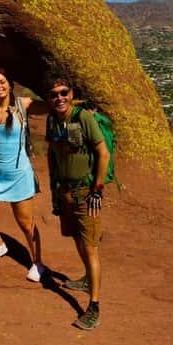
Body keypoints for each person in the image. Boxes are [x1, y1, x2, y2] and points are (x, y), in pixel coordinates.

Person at [44, 73, 110, 330]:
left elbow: (102, 153)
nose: (59, 98)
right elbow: (52, 156)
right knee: (77, 239)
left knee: (91, 246)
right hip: (66, 192)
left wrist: (98, 189)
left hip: (86, 193)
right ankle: (86, 279)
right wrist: (54, 192)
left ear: (71, 94)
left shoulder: (83, 118)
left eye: (63, 93)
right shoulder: (53, 121)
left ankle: (93, 306)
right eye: (54, 94)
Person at [0, 68, 45, 281]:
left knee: (25, 224)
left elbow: (52, 106)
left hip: (18, 174)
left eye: (2, 82)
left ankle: (37, 263)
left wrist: (76, 105)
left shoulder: (22, 105)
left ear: (10, 84)